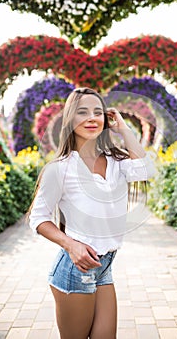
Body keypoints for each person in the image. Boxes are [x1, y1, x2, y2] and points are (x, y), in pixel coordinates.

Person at [28, 87, 155, 339]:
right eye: (82, 112)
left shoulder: (117, 161)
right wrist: (70, 245)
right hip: (76, 269)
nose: (91, 118)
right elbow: (38, 218)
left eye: (98, 112)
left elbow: (146, 170)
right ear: (70, 119)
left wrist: (125, 130)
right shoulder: (59, 169)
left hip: (105, 265)